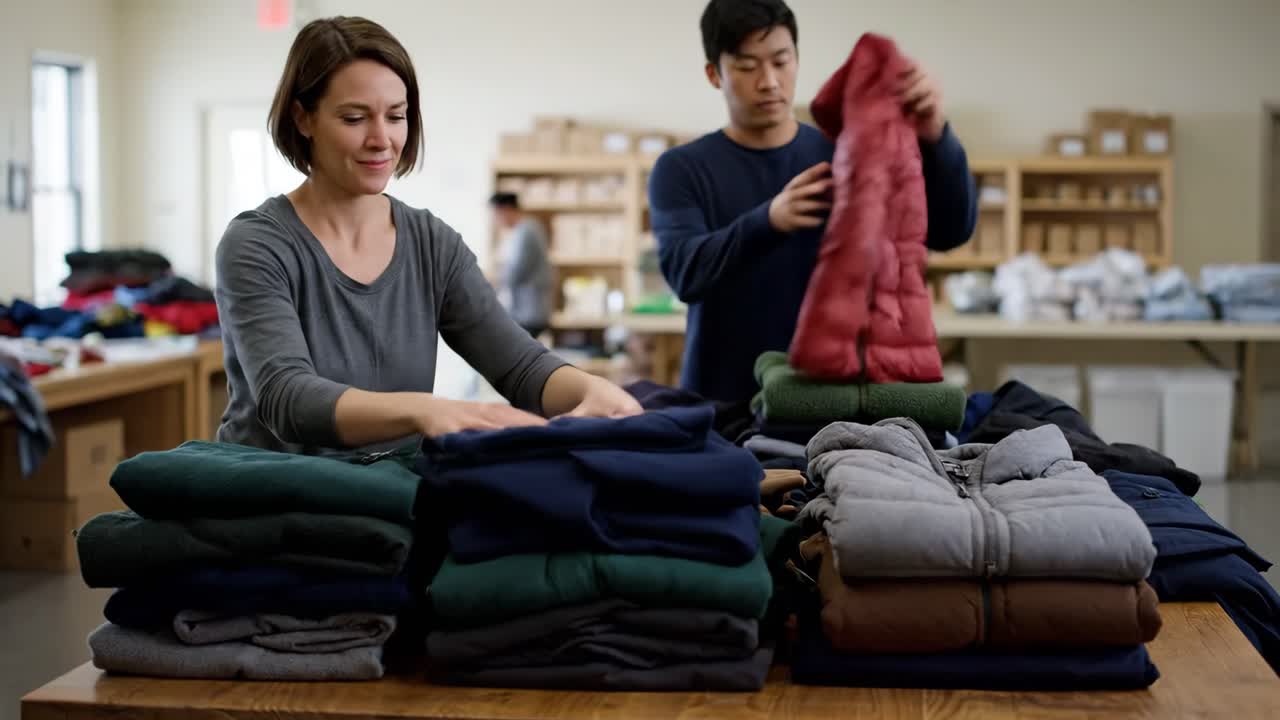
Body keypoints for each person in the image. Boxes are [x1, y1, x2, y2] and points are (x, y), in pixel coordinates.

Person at [215, 16, 641, 456]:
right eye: (355, 118)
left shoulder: (432, 244)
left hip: (383, 495)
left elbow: (519, 365)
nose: (382, 139)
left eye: (396, 116)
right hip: (272, 498)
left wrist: (591, 390)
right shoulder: (257, 245)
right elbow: (288, 398)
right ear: (303, 118)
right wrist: (426, 411)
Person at [648, 0, 979, 405]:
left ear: (798, 60)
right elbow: (685, 272)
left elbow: (950, 231)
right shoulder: (680, 168)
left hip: (830, 399)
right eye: (747, 66)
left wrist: (936, 137)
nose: (769, 81)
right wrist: (768, 221)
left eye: (781, 61)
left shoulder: (841, 152)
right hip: (721, 403)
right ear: (714, 74)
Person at [488, 192, 552, 339]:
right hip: (528, 310)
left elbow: (516, 272)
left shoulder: (526, 231)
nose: (495, 221)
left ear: (506, 210)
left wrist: (491, 279)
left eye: (495, 215)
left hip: (529, 313)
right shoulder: (526, 229)